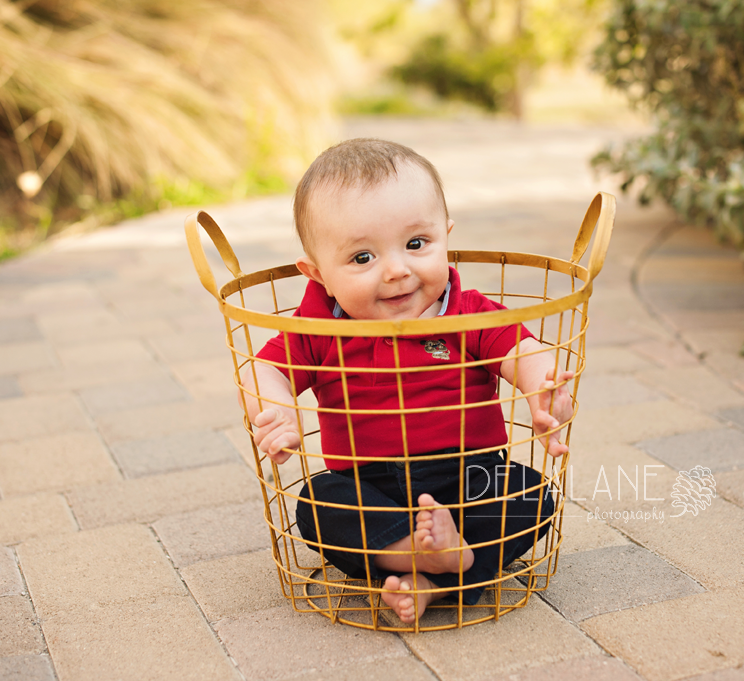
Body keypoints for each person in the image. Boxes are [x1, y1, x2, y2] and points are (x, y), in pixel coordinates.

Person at [239, 138, 573, 624]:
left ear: (446, 237)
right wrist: (278, 410)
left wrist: (543, 388)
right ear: (318, 275)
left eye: (417, 245)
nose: (396, 271)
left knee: (532, 495)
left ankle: (428, 580)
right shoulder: (321, 327)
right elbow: (263, 369)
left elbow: (521, 351)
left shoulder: (467, 312)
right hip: (369, 487)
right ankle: (438, 563)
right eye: (361, 259)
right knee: (319, 505)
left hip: (469, 478)